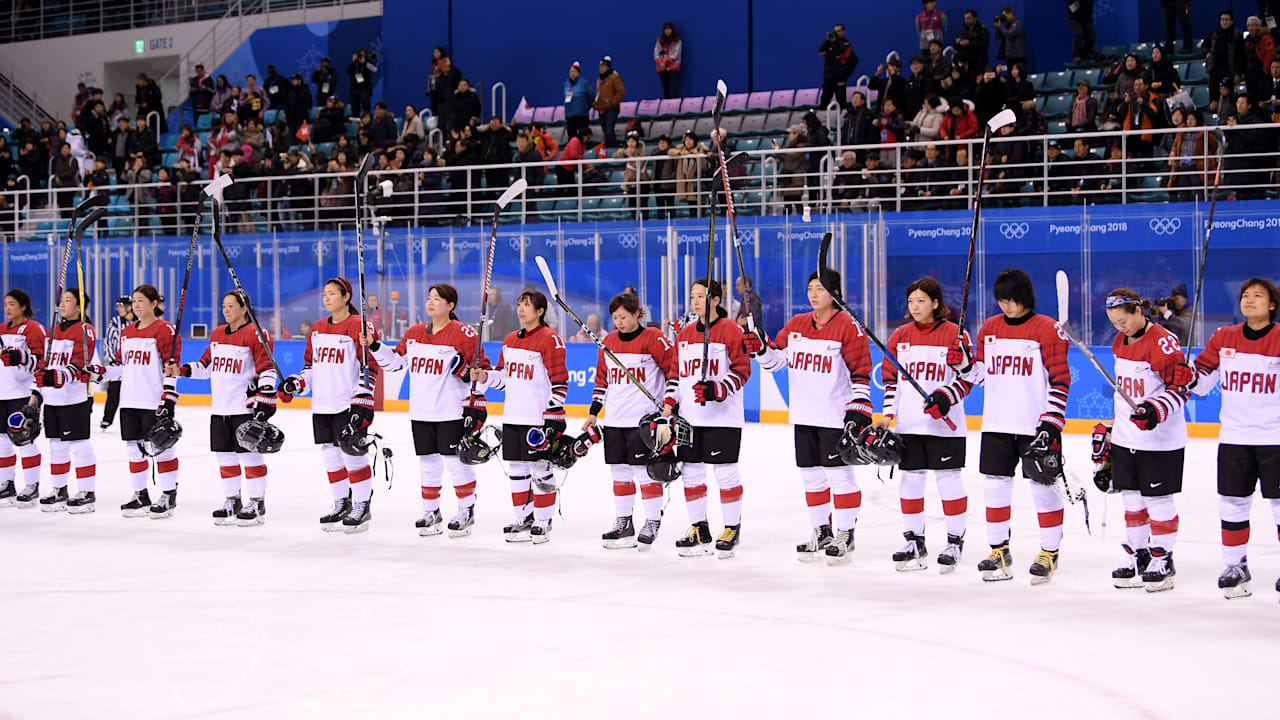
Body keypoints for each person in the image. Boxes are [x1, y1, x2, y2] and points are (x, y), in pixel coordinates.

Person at [949, 269, 1072, 583]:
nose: (1006, 305)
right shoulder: (990, 328)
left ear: (1025, 297)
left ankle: (1049, 552)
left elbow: (1060, 379)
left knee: (1043, 488)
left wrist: (1052, 422)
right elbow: (982, 375)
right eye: (1001, 300)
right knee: (995, 487)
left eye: (1012, 299)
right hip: (996, 423)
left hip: (1036, 425)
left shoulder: (1047, 329)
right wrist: (964, 365)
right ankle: (999, 549)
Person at [744, 269, 870, 563]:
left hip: (834, 417)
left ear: (835, 294)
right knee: (812, 478)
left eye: (821, 289)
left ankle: (846, 534)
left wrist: (859, 409)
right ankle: (821, 531)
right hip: (803, 416)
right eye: (811, 288)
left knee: (840, 477)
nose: (814, 294)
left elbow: (861, 373)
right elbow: (775, 362)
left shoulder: (848, 327)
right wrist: (760, 348)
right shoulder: (797, 324)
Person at [1189, 278, 1280, 598]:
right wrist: (1189, 376)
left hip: (1275, 437)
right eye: (1245, 295)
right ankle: (1235, 566)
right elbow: (1200, 383)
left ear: (1272, 305)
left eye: (1258, 296)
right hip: (1235, 436)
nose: (1249, 300)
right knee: (1233, 503)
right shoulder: (1223, 337)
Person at [1094, 289, 1190, 592]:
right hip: (1126, 437)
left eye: (1123, 320)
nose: (1119, 328)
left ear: (1138, 311)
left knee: (1158, 501)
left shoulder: (1162, 342)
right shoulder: (1119, 341)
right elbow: (1124, 395)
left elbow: (1179, 390)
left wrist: (1154, 409)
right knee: (1132, 500)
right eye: (1114, 323)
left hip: (1160, 439)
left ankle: (1163, 557)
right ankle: (1139, 554)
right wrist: (1112, 433)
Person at [875, 276, 973, 572]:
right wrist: (888, 415)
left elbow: (966, 379)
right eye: (910, 301)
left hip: (945, 426)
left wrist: (946, 398)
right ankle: (914, 542)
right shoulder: (899, 337)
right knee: (911, 481)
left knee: (949, 481)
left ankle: (955, 542)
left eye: (921, 301)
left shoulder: (955, 335)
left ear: (935, 303)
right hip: (908, 426)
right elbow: (892, 383)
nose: (915, 306)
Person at [368, 284, 483, 537]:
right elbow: (396, 364)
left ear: (451, 305)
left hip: (451, 411)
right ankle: (431, 511)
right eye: (429, 298)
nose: (431, 302)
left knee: (456, 463)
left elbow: (478, 373)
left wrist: (463, 369)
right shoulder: (414, 333)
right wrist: (375, 346)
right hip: (421, 411)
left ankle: (466, 510)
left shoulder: (464, 333)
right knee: (428, 464)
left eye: (437, 299)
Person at [165, 291, 276, 526]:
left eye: (231, 306)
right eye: (223, 306)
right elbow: (205, 366)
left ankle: (257, 502)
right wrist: (181, 371)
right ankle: (232, 500)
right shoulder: (216, 334)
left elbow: (267, 368)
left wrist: (265, 395)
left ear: (244, 308)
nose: (226, 310)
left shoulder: (256, 334)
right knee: (225, 457)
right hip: (220, 407)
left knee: (250, 456)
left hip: (243, 408)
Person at [279, 279, 379, 532]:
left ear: (346, 297)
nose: (326, 298)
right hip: (322, 404)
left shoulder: (359, 325)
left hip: (348, 404)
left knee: (353, 456)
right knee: (331, 457)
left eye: (332, 293)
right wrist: (296, 383)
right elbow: (311, 367)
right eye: (324, 294)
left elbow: (370, 366)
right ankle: (340, 503)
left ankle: (361, 505)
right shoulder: (317, 329)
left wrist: (363, 397)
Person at [470, 290, 568, 543]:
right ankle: (523, 517)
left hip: (537, 417)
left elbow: (560, 382)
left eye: (527, 305)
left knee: (541, 468)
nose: (521, 309)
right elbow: (504, 379)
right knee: (516, 469)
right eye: (519, 304)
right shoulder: (510, 339)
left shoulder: (550, 339)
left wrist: (552, 413)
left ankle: (543, 520)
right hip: (513, 416)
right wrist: (486, 377)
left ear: (540, 311)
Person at [584, 292, 678, 549]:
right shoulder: (609, 341)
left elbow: (673, 371)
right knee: (620, 473)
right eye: (614, 317)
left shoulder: (654, 338)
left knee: (645, 473)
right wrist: (594, 411)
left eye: (623, 316)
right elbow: (602, 380)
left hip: (643, 421)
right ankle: (624, 522)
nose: (619, 322)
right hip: (615, 419)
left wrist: (669, 404)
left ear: (637, 313)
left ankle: (652, 520)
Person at [667, 278, 750, 558]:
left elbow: (742, 370)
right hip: (690, 418)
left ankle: (731, 528)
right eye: (692, 296)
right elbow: (675, 375)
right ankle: (699, 528)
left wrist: (718, 389)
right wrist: (669, 404)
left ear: (716, 299)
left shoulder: (730, 330)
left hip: (722, 418)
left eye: (701, 296)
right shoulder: (686, 334)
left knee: (725, 473)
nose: (695, 301)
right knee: (691, 474)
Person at [31, 287, 100, 513]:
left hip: (74, 398)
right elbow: (45, 362)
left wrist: (58, 375)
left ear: (79, 307)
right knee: (56, 446)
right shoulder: (53, 331)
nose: (63, 304)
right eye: (62, 300)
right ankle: (60, 490)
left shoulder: (84, 329)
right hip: (53, 400)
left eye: (68, 301)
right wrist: (39, 382)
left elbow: (82, 364)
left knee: (79, 445)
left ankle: (87, 492)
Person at [116, 285, 181, 518]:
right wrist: (98, 372)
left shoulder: (164, 330)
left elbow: (171, 367)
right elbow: (119, 366)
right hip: (129, 401)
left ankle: (168, 494)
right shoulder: (126, 333)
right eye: (134, 301)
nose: (136, 305)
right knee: (134, 450)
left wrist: (169, 397)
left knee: (162, 448)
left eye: (141, 300)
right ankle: (140, 495)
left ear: (154, 304)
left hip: (153, 401)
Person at [0, 289, 46, 508]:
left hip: (22, 394)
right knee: (2, 442)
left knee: (24, 440)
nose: (7, 308)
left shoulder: (33, 329)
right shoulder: (0, 330)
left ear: (23, 306)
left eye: (12, 304)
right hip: (2, 393)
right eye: (5, 304)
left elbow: (41, 362)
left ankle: (32, 485)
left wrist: (20, 358)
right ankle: (6, 484)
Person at [99, 295, 133, 430]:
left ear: (128, 307)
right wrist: (115, 361)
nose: (118, 309)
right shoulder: (115, 322)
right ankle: (107, 418)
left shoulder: (139, 323)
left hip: (133, 366)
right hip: (117, 364)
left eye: (121, 306)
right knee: (113, 393)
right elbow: (108, 342)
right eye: (118, 306)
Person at [1204, 11, 1244, 101]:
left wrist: (1238, 73)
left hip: (1229, 70)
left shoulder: (1236, 36)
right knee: (1213, 96)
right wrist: (1207, 52)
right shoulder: (1214, 34)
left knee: (1228, 98)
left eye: (1227, 19)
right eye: (1222, 19)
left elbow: (1240, 56)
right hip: (1214, 70)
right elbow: (1204, 45)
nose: (1224, 22)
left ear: (1231, 21)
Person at [819, 23, 857, 112]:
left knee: (841, 99)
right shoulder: (829, 43)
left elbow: (840, 55)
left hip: (839, 76)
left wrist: (835, 43)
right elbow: (821, 52)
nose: (836, 33)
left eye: (839, 31)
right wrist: (828, 41)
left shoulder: (846, 44)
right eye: (835, 31)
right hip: (828, 76)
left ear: (844, 32)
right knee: (825, 98)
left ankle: (844, 119)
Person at [594, 56, 626, 149]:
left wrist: (611, 102)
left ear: (608, 67)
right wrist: (596, 105)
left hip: (611, 109)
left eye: (603, 67)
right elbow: (598, 94)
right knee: (605, 132)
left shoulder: (615, 77)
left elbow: (621, 92)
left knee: (609, 130)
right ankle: (610, 150)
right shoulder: (600, 79)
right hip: (601, 110)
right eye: (600, 67)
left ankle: (614, 149)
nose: (601, 69)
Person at [1244, 15, 1276, 102]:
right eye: (1249, 25)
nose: (1251, 27)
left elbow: (1270, 54)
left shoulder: (1266, 38)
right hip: (1250, 74)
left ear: (1259, 26)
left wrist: (1266, 69)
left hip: (1263, 74)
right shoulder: (1247, 40)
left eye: (1254, 25)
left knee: (1264, 100)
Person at [429, 52, 462, 131]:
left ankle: (451, 141)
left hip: (452, 103)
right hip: (441, 104)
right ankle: (443, 141)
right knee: (442, 124)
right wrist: (434, 109)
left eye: (446, 65)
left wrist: (450, 65)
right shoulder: (439, 79)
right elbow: (435, 95)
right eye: (443, 65)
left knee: (452, 124)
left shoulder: (453, 77)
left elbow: (458, 73)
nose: (445, 67)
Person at [562, 61, 593, 142]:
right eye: (570, 71)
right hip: (569, 115)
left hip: (581, 115)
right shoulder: (566, 84)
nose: (572, 73)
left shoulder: (584, 83)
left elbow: (591, 97)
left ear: (578, 73)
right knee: (571, 137)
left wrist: (585, 107)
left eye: (574, 71)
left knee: (583, 137)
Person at [954, 10, 990, 76]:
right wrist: (958, 42)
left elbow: (984, 44)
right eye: (965, 18)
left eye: (968, 18)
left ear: (975, 18)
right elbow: (958, 47)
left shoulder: (983, 30)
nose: (966, 20)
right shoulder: (964, 29)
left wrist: (969, 43)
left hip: (979, 61)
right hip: (966, 61)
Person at [654, 22, 683, 100]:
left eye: (669, 29)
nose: (667, 31)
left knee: (673, 86)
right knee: (665, 89)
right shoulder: (660, 41)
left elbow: (676, 54)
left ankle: (677, 105)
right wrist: (660, 63)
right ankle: (668, 107)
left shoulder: (677, 40)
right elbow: (656, 53)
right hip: (662, 68)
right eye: (666, 29)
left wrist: (665, 63)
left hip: (673, 67)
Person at [348, 48, 377, 119]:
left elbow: (374, 69)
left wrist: (364, 63)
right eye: (359, 55)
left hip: (365, 88)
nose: (361, 56)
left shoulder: (368, 61)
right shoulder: (355, 63)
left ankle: (368, 123)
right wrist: (353, 61)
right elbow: (348, 71)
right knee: (354, 108)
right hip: (355, 88)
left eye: (362, 55)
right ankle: (356, 123)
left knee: (366, 108)